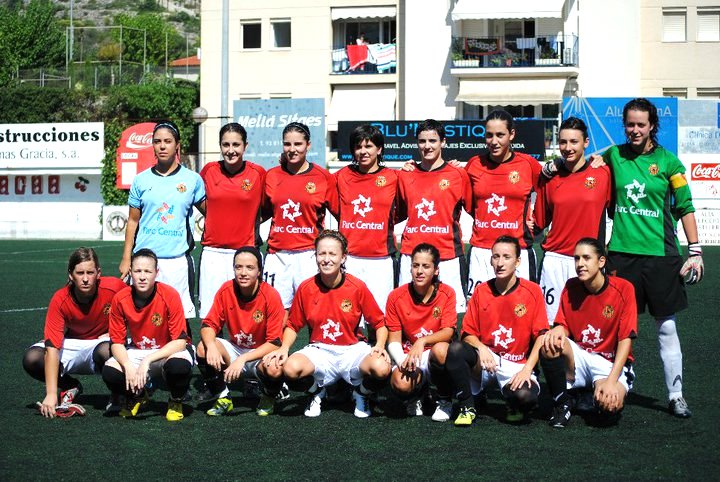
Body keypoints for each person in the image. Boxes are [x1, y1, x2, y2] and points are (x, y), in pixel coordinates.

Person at [602, 98, 703, 418]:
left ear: (652, 126)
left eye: (640, 125)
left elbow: (685, 206)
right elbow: (585, 170)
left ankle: (676, 395)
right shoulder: (613, 155)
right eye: (629, 124)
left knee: (666, 328)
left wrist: (695, 250)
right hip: (621, 256)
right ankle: (608, 385)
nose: (634, 130)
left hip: (661, 257)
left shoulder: (669, 162)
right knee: (614, 328)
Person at [263, 230, 391, 418]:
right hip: (320, 351)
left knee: (382, 368)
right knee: (289, 368)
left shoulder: (357, 287)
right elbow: (293, 325)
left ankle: (361, 393)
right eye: (322, 253)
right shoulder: (306, 288)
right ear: (315, 256)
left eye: (332, 254)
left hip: (352, 350)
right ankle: (316, 392)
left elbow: (379, 323)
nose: (326, 259)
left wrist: (379, 345)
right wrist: (284, 348)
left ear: (343, 257)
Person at [445, 236, 548, 426]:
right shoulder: (481, 291)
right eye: (496, 257)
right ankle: (468, 405)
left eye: (506, 257)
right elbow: (467, 333)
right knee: (455, 349)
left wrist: (527, 370)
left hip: (516, 365)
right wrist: (481, 348)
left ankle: (512, 403)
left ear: (518, 261)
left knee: (525, 398)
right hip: (486, 361)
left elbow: (541, 335)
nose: (500, 263)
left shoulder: (532, 291)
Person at [540, 238, 637, 427]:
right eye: (577, 258)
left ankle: (584, 393)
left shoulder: (624, 289)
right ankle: (562, 403)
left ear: (601, 262)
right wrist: (558, 328)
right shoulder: (571, 286)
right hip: (580, 357)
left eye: (586, 258)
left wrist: (611, 381)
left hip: (609, 363)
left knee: (610, 405)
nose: (580, 264)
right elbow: (563, 326)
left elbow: (625, 339)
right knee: (549, 344)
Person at [23, 248, 127, 418]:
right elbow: (52, 347)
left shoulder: (115, 287)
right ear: (71, 275)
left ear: (98, 273)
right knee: (32, 358)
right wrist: (51, 394)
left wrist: (115, 332)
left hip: (100, 344)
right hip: (72, 343)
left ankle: (118, 394)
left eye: (90, 273)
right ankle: (69, 385)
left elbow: (137, 311)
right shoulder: (60, 298)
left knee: (111, 349)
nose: (85, 279)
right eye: (80, 273)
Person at [119, 120, 206, 319]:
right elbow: (132, 221)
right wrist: (126, 258)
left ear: (177, 145)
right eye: (157, 141)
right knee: (142, 318)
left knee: (179, 320)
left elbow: (211, 212)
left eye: (168, 141)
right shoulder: (140, 180)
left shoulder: (192, 180)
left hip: (177, 262)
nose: (162, 146)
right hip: (144, 262)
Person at [533, 117, 612, 322]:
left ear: (586, 142)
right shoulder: (550, 178)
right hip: (555, 260)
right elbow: (539, 221)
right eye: (563, 142)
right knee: (550, 326)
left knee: (590, 326)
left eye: (574, 142)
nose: (568, 148)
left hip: (589, 260)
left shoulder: (603, 173)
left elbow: (615, 212)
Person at [102, 249, 194, 422]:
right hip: (138, 349)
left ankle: (175, 400)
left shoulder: (170, 295)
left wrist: (147, 360)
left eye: (147, 271)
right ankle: (137, 395)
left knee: (179, 367)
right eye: (138, 271)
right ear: (130, 272)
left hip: (168, 350)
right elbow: (116, 342)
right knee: (110, 372)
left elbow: (180, 342)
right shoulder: (120, 298)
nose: (142, 277)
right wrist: (128, 365)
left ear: (156, 273)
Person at [196, 247, 285, 417]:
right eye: (238, 267)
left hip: (261, 354)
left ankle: (269, 397)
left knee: (275, 368)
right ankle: (223, 398)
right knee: (203, 348)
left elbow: (275, 342)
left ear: (259, 271)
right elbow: (208, 324)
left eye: (249, 268)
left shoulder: (271, 295)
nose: (243, 273)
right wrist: (211, 346)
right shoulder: (226, 289)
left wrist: (243, 359)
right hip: (236, 348)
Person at [397, 119, 472, 313]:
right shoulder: (405, 175)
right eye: (422, 141)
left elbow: (476, 208)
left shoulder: (458, 174)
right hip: (411, 254)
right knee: (408, 312)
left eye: (432, 141)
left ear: (443, 142)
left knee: (453, 313)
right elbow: (397, 213)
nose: (427, 146)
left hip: (448, 255)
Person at [262, 122, 338, 309]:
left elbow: (342, 215)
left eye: (298, 144)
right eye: (287, 144)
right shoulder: (271, 176)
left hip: (309, 255)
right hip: (277, 256)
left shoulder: (323, 177)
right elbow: (261, 213)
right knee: (277, 312)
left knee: (313, 311)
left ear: (308, 145)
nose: (292, 149)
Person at [464, 110, 542, 293]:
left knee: (521, 307)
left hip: (518, 250)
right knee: (479, 307)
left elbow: (552, 193)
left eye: (500, 135)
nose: (494, 141)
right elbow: (468, 204)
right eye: (489, 135)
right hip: (482, 251)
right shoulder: (474, 165)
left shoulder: (528, 164)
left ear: (511, 134)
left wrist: (538, 222)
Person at [198, 123, 266, 319]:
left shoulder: (258, 173)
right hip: (213, 253)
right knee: (211, 315)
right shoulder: (209, 170)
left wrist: (249, 219)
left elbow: (269, 206)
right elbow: (197, 199)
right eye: (225, 144)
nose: (230, 150)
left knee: (248, 315)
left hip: (246, 253)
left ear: (245, 146)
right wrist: (215, 214)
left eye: (236, 144)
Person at [386, 243, 456, 421]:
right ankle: (416, 394)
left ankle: (444, 399)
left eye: (426, 266)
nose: (419, 271)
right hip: (409, 354)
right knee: (401, 383)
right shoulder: (396, 296)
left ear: (436, 270)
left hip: (434, 353)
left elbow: (448, 332)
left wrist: (422, 341)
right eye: (415, 265)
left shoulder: (447, 293)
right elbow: (393, 340)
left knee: (442, 350)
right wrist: (403, 362)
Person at [334, 124, 398, 313]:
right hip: (350, 257)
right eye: (358, 146)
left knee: (380, 315)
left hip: (381, 259)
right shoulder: (341, 176)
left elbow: (404, 206)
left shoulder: (393, 177)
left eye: (368, 146)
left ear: (379, 149)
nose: (363, 151)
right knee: (349, 313)